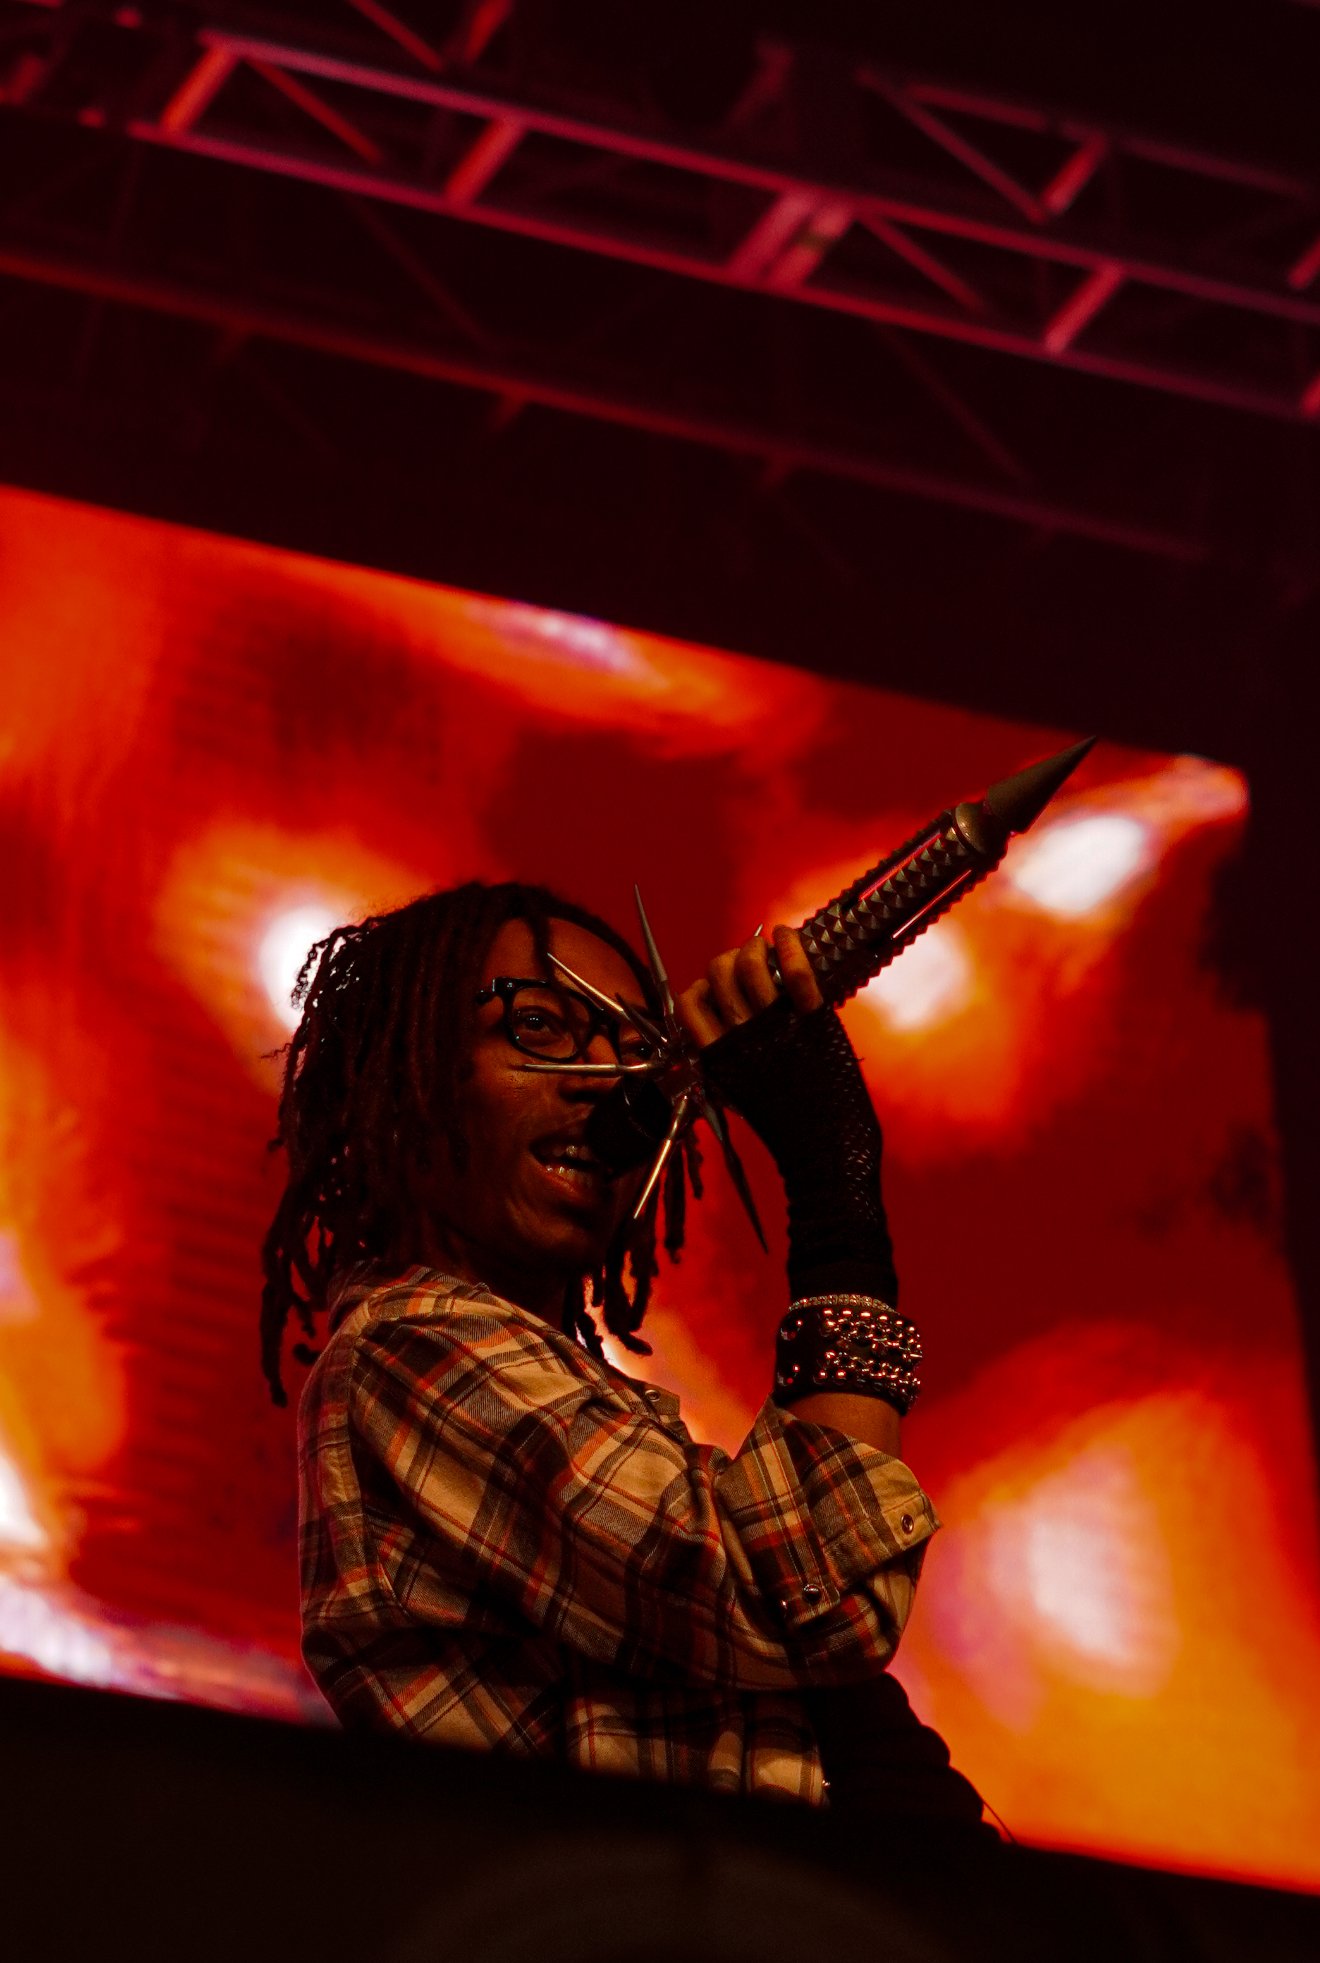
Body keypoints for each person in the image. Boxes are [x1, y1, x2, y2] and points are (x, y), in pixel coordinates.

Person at [262, 880, 985, 1823]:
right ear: (401, 1088)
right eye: (541, 1028)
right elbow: (803, 1597)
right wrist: (834, 1186)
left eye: (639, 1051)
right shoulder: (412, 1348)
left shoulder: (554, 1385)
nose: (608, 1081)